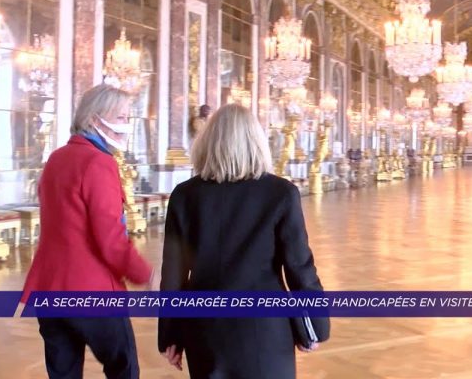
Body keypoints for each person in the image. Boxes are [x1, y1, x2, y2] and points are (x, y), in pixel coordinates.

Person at [158, 104, 328, 378]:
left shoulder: (184, 195)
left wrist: (170, 333)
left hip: (204, 326)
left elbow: (173, 276)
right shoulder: (281, 193)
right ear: (256, 142)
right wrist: (315, 326)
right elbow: (299, 267)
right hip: (265, 326)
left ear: (207, 143)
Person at [22, 84, 153, 379]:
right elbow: (109, 239)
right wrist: (144, 273)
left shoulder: (56, 158)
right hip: (92, 291)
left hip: (50, 289)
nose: (125, 125)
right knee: (123, 370)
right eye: (120, 117)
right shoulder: (99, 163)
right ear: (95, 119)